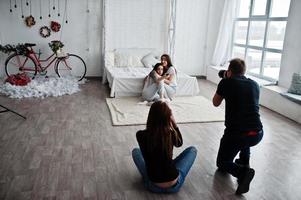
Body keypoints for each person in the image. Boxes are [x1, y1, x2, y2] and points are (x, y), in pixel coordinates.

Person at [212, 58, 264, 195]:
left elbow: (215, 102)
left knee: (222, 163)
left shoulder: (226, 82)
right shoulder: (255, 84)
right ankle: (244, 162)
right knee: (246, 131)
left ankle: (242, 172)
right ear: (244, 71)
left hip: (237, 135)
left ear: (229, 71)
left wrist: (224, 82)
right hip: (258, 133)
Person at [132, 101, 197, 193]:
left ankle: (153, 174)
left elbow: (146, 154)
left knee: (136, 151)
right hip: (174, 185)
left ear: (151, 116)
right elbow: (179, 143)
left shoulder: (140, 135)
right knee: (192, 150)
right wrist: (175, 125)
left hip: (152, 185)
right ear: (168, 118)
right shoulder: (171, 134)